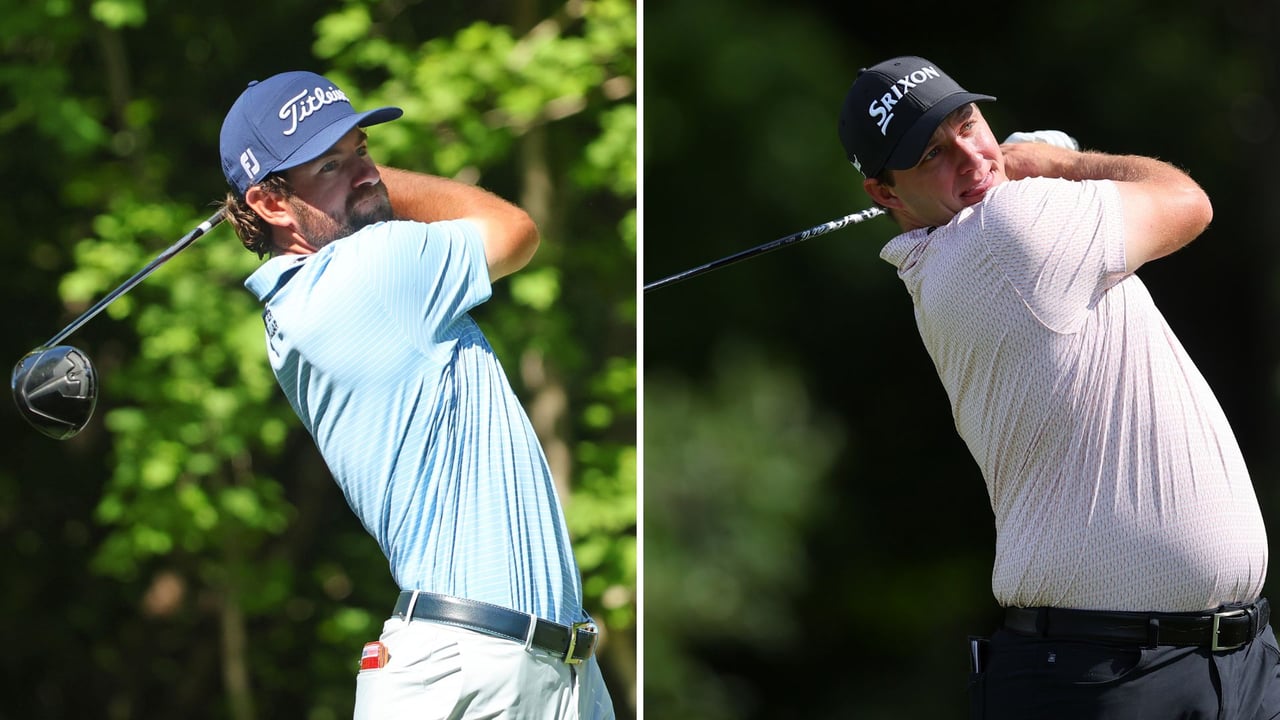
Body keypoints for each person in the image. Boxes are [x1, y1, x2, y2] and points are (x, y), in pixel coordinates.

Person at [838, 55, 1277, 718]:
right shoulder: (1002, 238)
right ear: (887, 194)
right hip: (1100, 677)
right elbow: (1189, 202)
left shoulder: (988, 235)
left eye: (968, 123)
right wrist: (1060, 162)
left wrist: (1033, 163)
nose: (971, 158)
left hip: (1232, 664)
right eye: (932, 154)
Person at [217, 70, 614, 719]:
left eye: (363, 149)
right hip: (473, 672)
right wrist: (376, 177)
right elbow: (514, 229)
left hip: (537, 666)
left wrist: (332, 177)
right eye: (331, 164)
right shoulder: (369, 271)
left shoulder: (303, 300)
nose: (366, 174)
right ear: (267, 201)